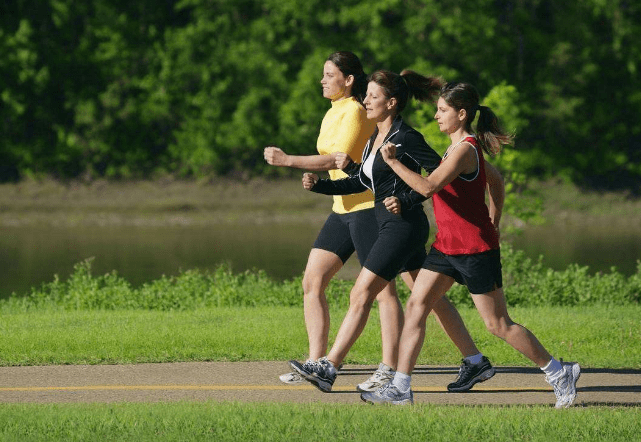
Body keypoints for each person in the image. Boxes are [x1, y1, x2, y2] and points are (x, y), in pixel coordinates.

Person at [360, 82, 581, 408]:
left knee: (498, 325)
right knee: (416, 306)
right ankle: (400, 389)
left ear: (461, 114)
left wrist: (394, 163)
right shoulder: (453, 150)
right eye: (437, 109)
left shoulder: (465, 149)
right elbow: (495, 180)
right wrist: (495, 216)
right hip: (446, 247)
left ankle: (559, 372)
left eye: (443, 110)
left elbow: (429, 185)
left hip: (475, 249)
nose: (436, 115)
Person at [289, 70, 496, 393]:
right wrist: (321, 186)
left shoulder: (407, 137)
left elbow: (435, 178)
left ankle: (329, 367)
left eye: (372, 96)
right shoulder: (376, 137)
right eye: (366, 95)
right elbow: (364, 182)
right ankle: (474, 360)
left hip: (403, 227)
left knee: (361, 292)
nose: (365, 100)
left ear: (391, 103)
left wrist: (408, 198)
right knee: (430, 298)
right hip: (390, 223)